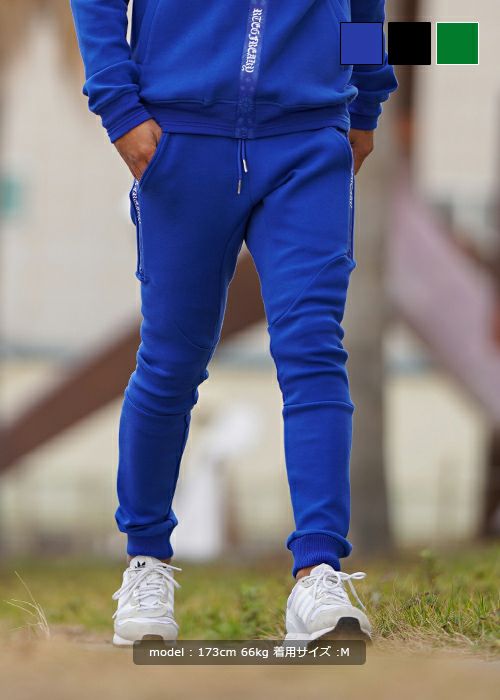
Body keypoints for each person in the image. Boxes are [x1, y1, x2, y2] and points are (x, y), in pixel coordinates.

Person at [70, 0, 397, 647]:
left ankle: (319, 573)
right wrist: (119, 107)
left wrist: (365, 101)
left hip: (308, 139)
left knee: (313, 351)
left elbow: (363, 6)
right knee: (170, 361)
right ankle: (146, 564)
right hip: (181, 141)